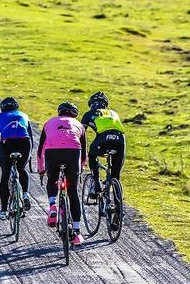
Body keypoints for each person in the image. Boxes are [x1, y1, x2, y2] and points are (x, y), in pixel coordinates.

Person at [37, 101, 87, 246]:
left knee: (52, 178)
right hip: (73, 152)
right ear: (74, 115)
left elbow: (41, 149)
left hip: (53, 151)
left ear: (59, 112)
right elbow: (83, 152)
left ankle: (53, 205)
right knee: (72, 192)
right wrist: (81, 167)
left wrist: (41, 168)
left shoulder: (49, 123)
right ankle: (77, 232)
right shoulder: (79, 125)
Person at [81, 92, 126, 229]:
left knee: (92, 155)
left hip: (103, 139)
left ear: (91, 104)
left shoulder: (90, 113)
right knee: (115, 176)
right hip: (120, 140)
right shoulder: (113, 113)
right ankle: (118, 212)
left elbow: (80, 134)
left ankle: (96, 184)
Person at [0, 96, 34, 220]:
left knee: (5, 175)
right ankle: (25, 194)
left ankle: (4, 210)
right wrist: (28, 155)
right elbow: (30, 137)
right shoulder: (24, 115)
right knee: (21, 168)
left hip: (7, 143)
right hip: (25, 142)